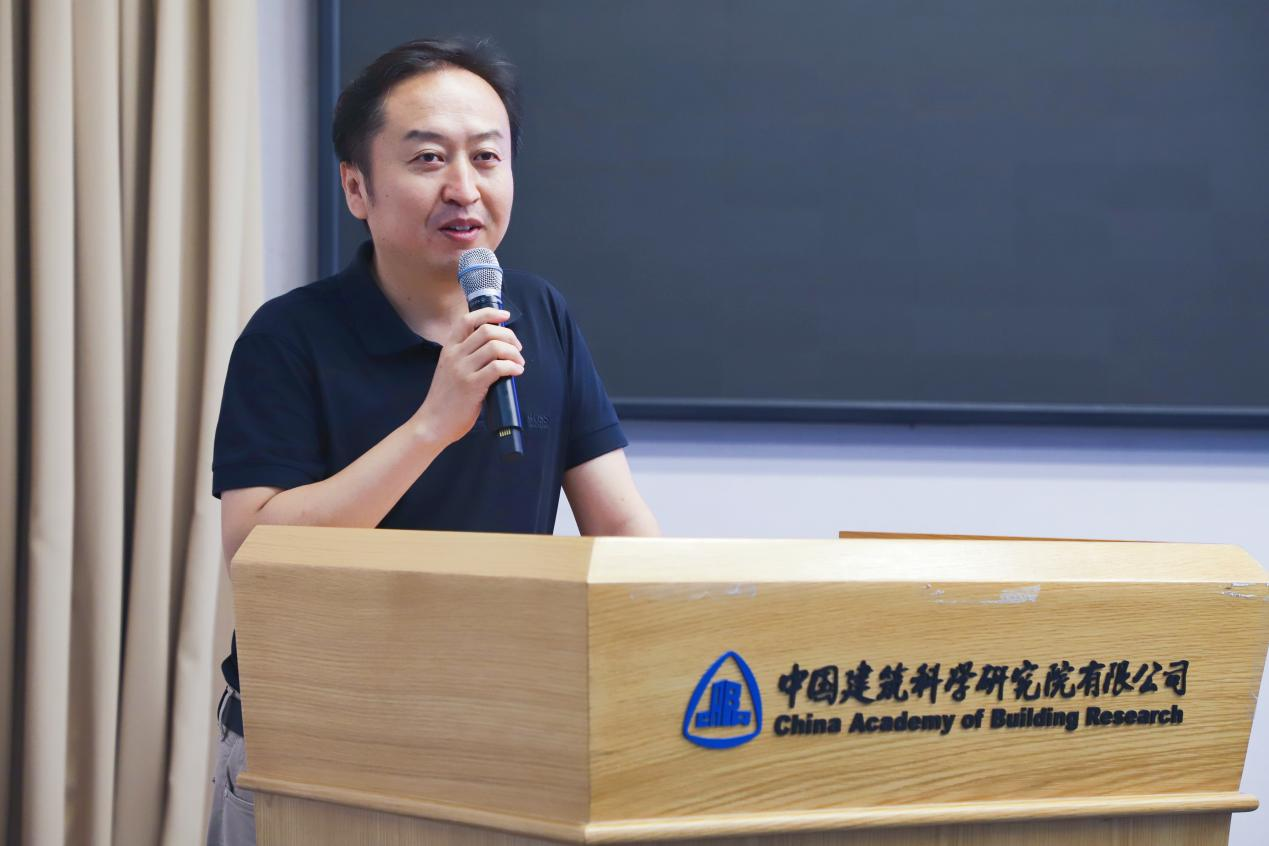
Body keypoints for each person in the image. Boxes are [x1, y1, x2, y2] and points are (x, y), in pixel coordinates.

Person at [205, 37, 659, 845]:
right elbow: (253, 550)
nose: (464, 188)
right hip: (318, 737)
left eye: (487, 157)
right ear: (357, 187)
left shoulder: (537, 313)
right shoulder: (289, 337)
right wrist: (431, 425)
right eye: (427, 158)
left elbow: (619, 525)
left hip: (502, 729)